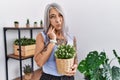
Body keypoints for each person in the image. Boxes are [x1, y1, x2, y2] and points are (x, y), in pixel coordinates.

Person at [34, 3, 78, 80]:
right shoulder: (42, 36)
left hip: (68, 78)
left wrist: (75, 65)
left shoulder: (71, 37)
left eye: (60, 15)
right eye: (52, 17)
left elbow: (75, 57)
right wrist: (52, 41)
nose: (58, 20)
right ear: (48, 19)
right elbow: (39, 63)